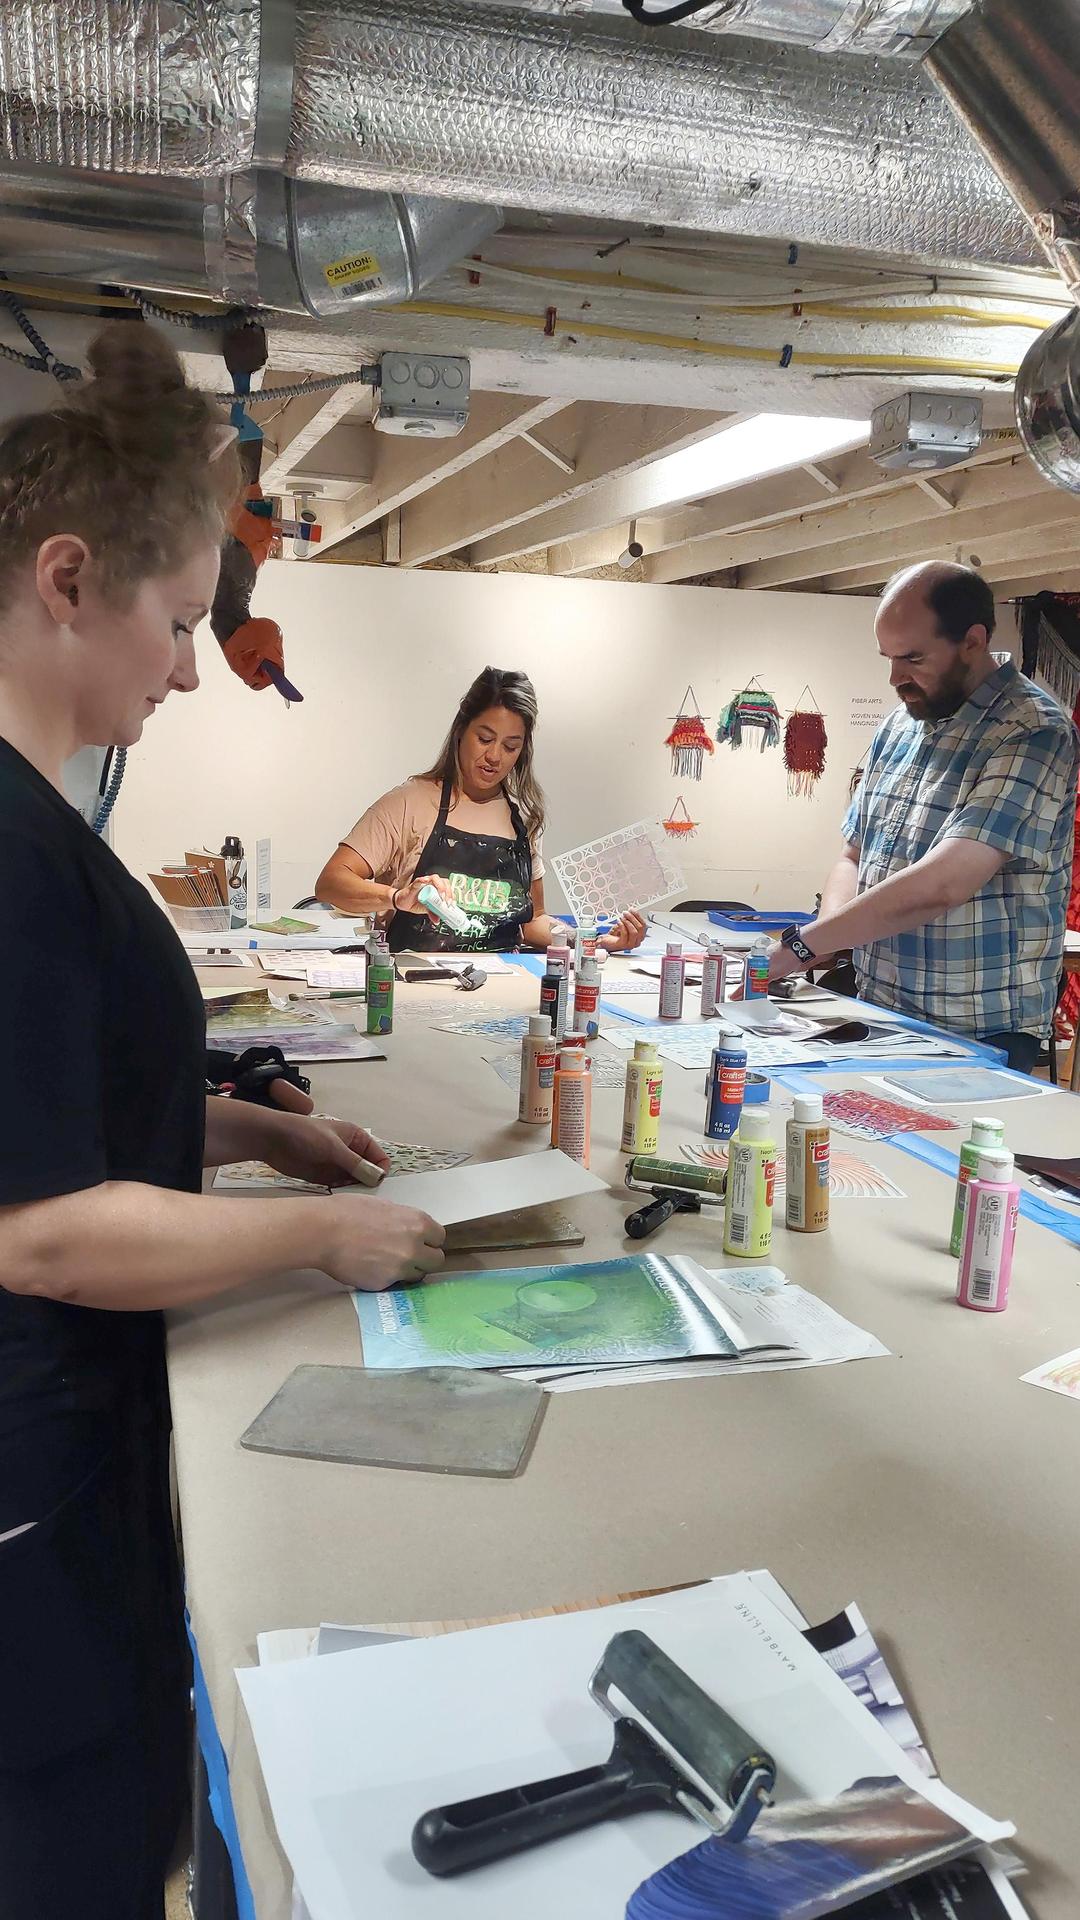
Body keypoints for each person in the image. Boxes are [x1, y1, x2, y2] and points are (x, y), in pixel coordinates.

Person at [0, 324, 444, 1920]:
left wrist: (252, 1138)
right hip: (34, 1491)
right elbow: (40, 1228)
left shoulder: (37, 820)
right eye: (180, 622)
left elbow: (62, 1108)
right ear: (67, 580)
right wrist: (320, 1231)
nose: (192, 666)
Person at [767, 561, 1079, 1072]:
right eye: (887, 657)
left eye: (912, 657)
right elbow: (854, 852)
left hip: (976, 1027)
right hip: (878, 1006)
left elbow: (946, 882)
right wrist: (826, 939)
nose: (895, 678)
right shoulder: (902, 723)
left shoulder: (1031, 730)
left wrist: (804, 947)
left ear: (973, 642)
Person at [315, 666, 647, 953]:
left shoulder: (523, 817)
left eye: (510, 746)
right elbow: (331, 883)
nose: (494, 757)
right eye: (485, 738)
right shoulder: (409, 803)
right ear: (461, 732)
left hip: (500, 986)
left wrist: (588, 940)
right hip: (416, 983)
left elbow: (533, 921)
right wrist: (398, 897)